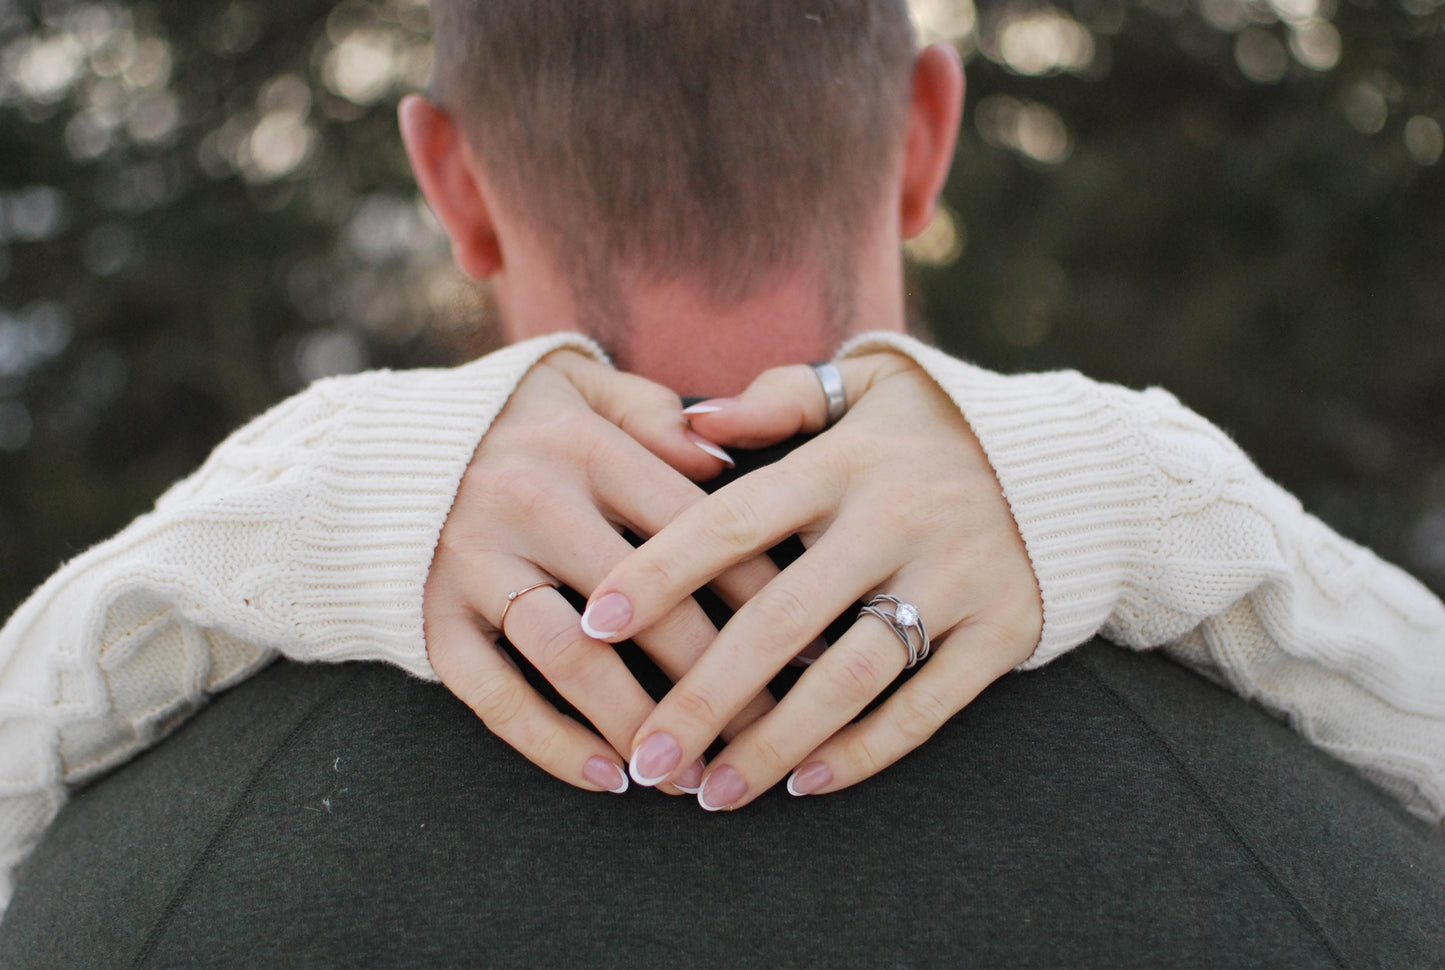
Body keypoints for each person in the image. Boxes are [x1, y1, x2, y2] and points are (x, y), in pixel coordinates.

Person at [0, 1, 1441, 964]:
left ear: (448, 182)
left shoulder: (113, 888)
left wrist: (292, 490)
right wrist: (1140, 486)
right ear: (926, 136)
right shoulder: (1346, 863)